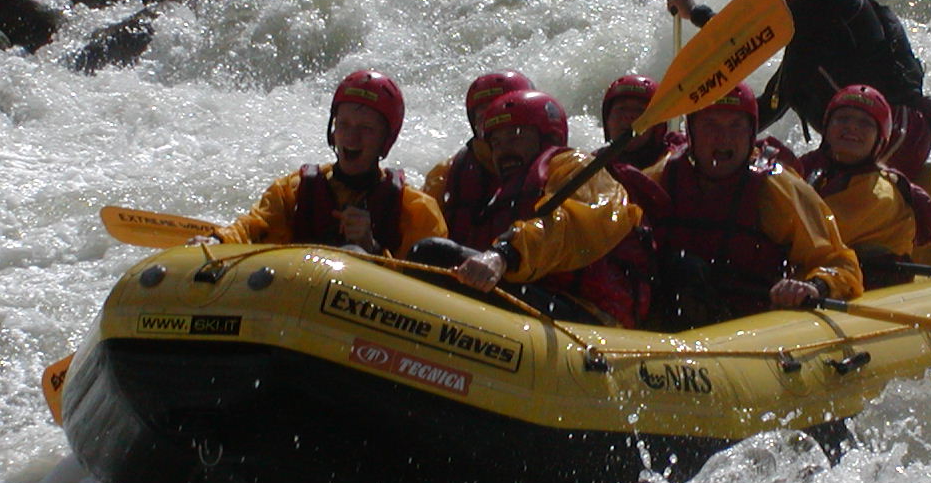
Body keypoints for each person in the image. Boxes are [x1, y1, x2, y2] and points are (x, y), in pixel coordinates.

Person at [666, 0, 931, 178]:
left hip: (891, 131)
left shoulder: (834, 1)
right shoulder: (808, 38)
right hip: (885, 134)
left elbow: (745, 38)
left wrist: (696, 13)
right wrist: (708, 142)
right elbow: (774, 104)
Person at [415, 90, 652, 327]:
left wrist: (504, 255)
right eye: (497, 143)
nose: (504, 151)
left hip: (591, 315)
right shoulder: (502, 193)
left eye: (515, 137)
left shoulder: (576, 167)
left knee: (433, 253)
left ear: (548, 137)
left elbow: (567, 226)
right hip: (543, 299)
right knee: (431, 257)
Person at [638, 82, 862, 326]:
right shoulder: (660, 178)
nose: (723, 138)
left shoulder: (779, 189)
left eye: (736, 126)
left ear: (751, 134)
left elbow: (842, 264)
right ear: (691, 132)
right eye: (710, 124)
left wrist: (813, 286)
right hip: (672, 316)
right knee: (683, 269)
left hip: (749, 325)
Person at [201, 70, 446, 256]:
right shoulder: (291, 190)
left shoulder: (416, 210)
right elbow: (250, 228)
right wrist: (218, 240)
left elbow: (424, 283)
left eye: (366, 129)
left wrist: (371, 247)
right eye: (344, 125)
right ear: (333, 129)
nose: (351, 137)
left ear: (386, 139)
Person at [795, 85, 931, 287]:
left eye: (865, 123)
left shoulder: (882, 193)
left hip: (868, 282)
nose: (852, 127)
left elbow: (813, 237)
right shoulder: (810, 167)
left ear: (879, 139)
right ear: (827, 129)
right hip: (826, 274)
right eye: (843, 118)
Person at [425, 70, 534, 246]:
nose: (495, 126)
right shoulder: (446, 174)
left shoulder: (558, 170)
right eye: (485, 117)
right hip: (464, 268)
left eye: (504, 116)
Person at [599, 73, 684, 171]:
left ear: (657, 126)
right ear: (608, 120)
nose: (629, 116)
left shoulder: (677, 165)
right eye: (621, 109)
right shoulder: (592, 165)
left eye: (639, 110)